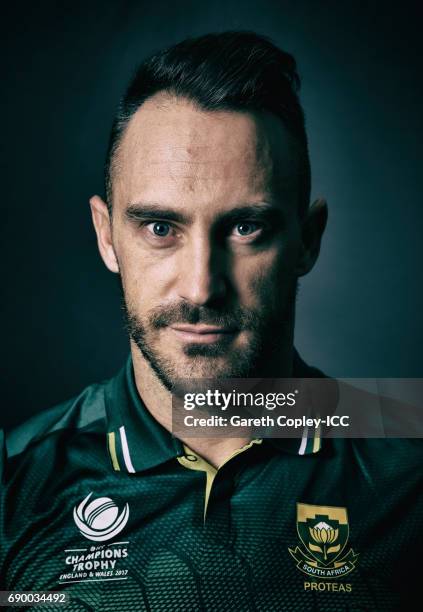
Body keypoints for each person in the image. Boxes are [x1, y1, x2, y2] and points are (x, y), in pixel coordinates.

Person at [0, 31, 421, 611]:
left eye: (246, 228)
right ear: (106, 236)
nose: (201, 286)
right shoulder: (13, 482)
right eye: (159, 228)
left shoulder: (409, 466)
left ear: (308, 240)